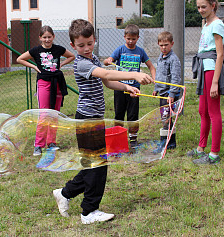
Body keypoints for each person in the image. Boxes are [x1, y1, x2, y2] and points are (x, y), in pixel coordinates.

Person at [52, 19, 153, 224]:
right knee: (97, 164)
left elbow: (107, 82)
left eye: (89, 43)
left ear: (94, 40)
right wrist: (134, 73)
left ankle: (64, 193)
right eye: (81, 45)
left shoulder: (94, 58)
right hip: (86, 120)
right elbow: (106, 73)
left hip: (95, 118)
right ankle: (88, 212)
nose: (86, 48)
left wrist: (127, 87)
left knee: (94, 164)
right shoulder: (82, 63)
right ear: (73, 46)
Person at [17, 26, 75, 156]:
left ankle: (51, 143)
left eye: (49, 37)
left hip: (57, 82)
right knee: (44, 114)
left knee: (54, 114)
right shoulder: (36, 50)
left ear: (53, 37)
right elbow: (19, 59)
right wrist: (34, 66)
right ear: (40, 38)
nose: (47, 39)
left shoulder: (58, 49)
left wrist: (61, 64)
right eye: (44, 37)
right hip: (43, 82)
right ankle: (38, 145)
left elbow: (71, 56)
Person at [103, 24, 156, 148]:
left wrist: (154, 80)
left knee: (133, 115)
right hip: (119, 87)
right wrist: (108, 61)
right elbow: (106, 61)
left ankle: (133, 140)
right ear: (124, 37)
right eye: (128, 39)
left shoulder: (140, 51)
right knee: (119, 114)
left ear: (138, 38)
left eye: (133, 39)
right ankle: (118, 137)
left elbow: (151, 67)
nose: (131, 41)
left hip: (134, 90)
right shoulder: (120, 50)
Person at [189, 0, 224, 165]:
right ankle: (201, 148)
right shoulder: (205, 24)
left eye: (203, 6)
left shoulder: (217, 24)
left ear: (213, 5)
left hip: (212, 70)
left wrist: (215, 83)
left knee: (213, 111)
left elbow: (220, 54)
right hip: (204, 68)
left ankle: (214, 154)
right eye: (198, 7)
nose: (200, 10)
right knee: (202, 111)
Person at [152, 31, 182, 154]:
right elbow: (159, 74)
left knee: (167, 118)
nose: (163, 48)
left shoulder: (173, 60)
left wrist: (172, 94)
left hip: (169, 94)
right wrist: (156, 88)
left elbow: (175, 78)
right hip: (162, 92)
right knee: (164, 117)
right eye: (161, 45)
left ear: (172, 44)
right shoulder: (160, 58)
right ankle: (168, 142)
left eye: (166, 45)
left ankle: (168, 143)